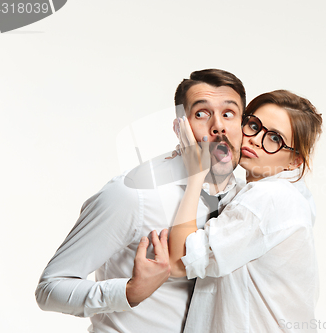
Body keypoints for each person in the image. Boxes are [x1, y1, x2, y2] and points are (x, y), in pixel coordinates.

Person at [35, 69, 246, 332]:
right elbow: (49, 288)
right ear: (180, 127)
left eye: (229, 113)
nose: (218, 126)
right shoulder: (134, 194)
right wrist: (129, 291)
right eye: (201, 114)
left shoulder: (244, 201)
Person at [169, 90, 323, 332]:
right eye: (254, 125)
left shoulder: (267, 198)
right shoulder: (287, 195)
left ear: (295, 161)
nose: (255, 139)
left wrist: (195, 175)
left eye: (274, 138)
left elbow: (180, 260)